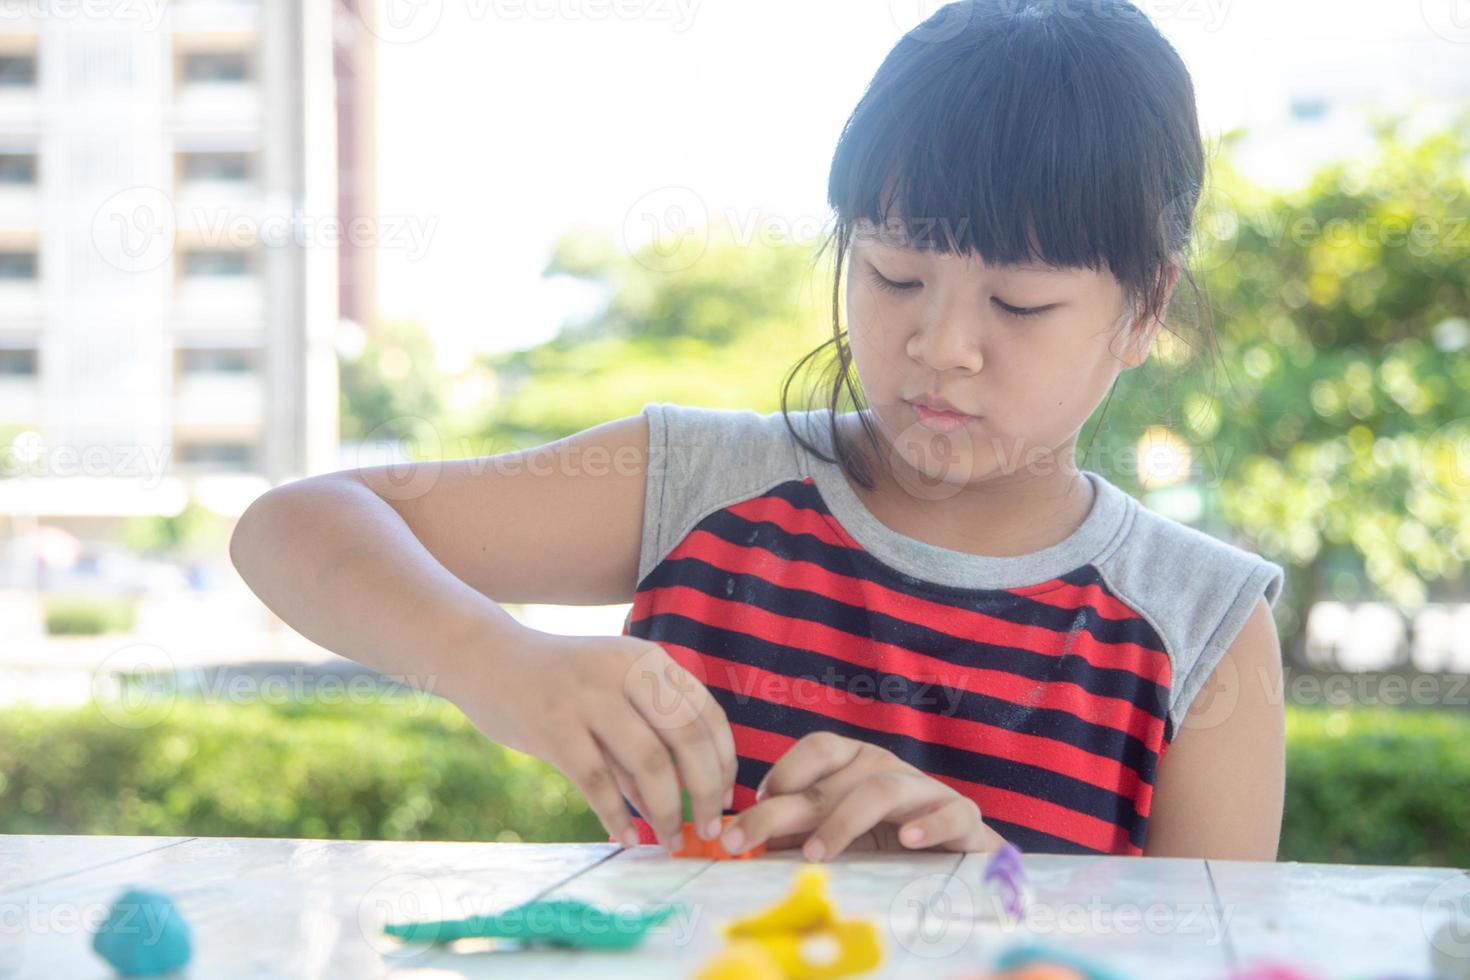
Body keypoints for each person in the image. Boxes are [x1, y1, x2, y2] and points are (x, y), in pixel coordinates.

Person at [231, 0, 1286, 862]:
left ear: (1145, 308)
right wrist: (498, 661)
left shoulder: (1200, 624)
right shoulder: (701, 483)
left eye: (1017, 304)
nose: (942, 343)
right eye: (893, 274)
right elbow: (294, 526)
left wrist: (980, 891)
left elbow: (1213, 950)